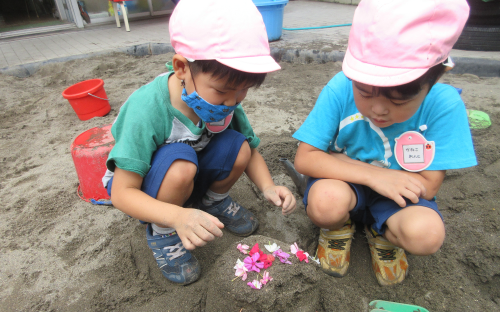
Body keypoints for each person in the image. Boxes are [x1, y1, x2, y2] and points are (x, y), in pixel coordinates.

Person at [102, 0, 296, 285]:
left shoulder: (224, 102)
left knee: (238, 146)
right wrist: (176, 217)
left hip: (191, 171)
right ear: (182, 67)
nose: (232, 101)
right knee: (179, 164)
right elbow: (121, 193)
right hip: (148, 184)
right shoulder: (147, 109)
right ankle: (163, 233)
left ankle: (211, 202)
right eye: (223, 91)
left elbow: (251, 150)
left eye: (242, 91)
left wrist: (268, 186)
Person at [293, 0, 476, 286]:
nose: (378, 109)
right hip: (344, 185)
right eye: (364, 93)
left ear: (434, 78)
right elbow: (304, 158)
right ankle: (338, 228)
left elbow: (427, 185)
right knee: (326, 204)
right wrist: (375, 175)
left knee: (426, 235)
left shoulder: (444, 104)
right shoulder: (341, 87)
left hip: (399, 197)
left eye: (398, 100)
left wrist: (339, 161)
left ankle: (383, 233)